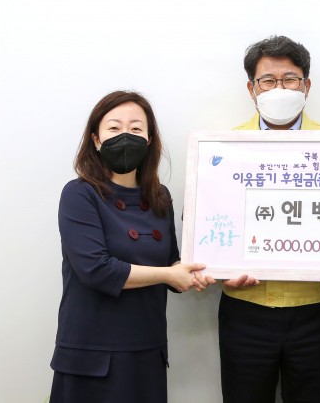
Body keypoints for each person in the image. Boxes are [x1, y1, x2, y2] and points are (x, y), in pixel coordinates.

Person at [49, 90, 210, 403]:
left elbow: (172, 261)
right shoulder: (80, 194)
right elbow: (96, 270)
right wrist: (169, 275)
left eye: (136, 128)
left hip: (146, 349)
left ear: (148, 140)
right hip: (92, 354)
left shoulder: (160, 196)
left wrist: (191, 272)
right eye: (114, 127)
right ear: (96, 139)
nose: (125, 135)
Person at [216, 35, 320, 403]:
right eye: (268, 80)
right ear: (252, 89)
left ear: (306, 85)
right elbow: (207, 226)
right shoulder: (222, 148)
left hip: (316, 309)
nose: (279, 88)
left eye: (290, 79)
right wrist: (216, 266)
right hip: (245, 309)